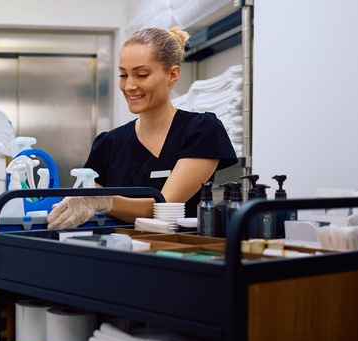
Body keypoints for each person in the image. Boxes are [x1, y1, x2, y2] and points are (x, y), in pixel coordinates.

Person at [47, 27, 238, 229]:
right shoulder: (108, 144)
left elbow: (163, 207)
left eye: (141, 74)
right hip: (114, 253)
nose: (129, 86)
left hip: (175, 253)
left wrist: (105, 202)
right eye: (123, 75)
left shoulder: (201, 131)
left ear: (173, 74)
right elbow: (86, 196)